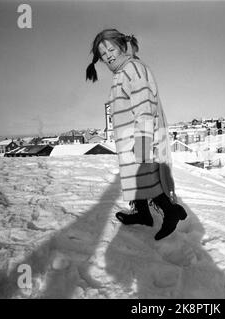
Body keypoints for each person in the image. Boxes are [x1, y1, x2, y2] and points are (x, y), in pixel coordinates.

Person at [86, 29, 187, 240]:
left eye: (111, 49)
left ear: (122, 46)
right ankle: (143, 214)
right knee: (134, 177)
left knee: (146, 176)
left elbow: (144, 107)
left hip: (138, 136)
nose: (108, 56)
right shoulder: (121, 72)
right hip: (127, 138)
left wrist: (142, 139)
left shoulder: (133, 69)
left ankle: (170, 212)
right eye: (103, 54)